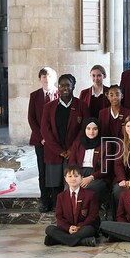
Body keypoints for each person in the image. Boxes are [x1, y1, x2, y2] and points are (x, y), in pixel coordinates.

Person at [41, 74, 89, 204]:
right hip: (54, 151)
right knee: (55, 185)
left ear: (73, 86)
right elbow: (45, 130)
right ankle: (59, 210)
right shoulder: (49, 107)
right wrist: (59, 151)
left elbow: (84, 129)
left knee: (73, 183)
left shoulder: (82, 106)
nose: (65, 88)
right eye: (62, 85)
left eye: (68, 85)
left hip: (74, 151)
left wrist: (72, 149)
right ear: (58, 87)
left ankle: (72, 209)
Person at [44, 165, 100, 247]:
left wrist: (79, 227)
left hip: (83, 227)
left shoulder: (90, 195)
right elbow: (59, 217)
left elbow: (92, 216)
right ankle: (82, 241)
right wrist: (68, 228)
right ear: (65, 179)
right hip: (68, 229)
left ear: (81, 178)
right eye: (70, 176)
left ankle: (59, 239)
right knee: (49, 229)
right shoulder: (61, 196)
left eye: (76, 176)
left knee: (89, 230)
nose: (73, 179)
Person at [68, 117, 112, 218]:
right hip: (79, 173)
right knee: (71, 188)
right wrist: (78, 177)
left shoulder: (105, 145)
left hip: (97, 175)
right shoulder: (77, 144)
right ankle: (72, 217)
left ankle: (88, 216)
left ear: (99, 130)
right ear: (84, 129)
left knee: (90, 188)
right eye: (88, 128)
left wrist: (91, 177)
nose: (91, 132)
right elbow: (72, 163)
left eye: (95, 129)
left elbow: (105, 169)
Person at [29, 66, 57, 211]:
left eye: (49, 76)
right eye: (44, 77)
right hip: (40, 141)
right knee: (43, 171)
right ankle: (45, 200)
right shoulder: (34, 96)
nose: (47, 79)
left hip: (55, 141)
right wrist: (41, 137)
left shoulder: (59, 94)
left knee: (55, 171)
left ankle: (56, 200)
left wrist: (52, 139)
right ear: (40, 79)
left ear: (54, 78)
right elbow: (31, 118)